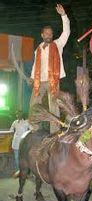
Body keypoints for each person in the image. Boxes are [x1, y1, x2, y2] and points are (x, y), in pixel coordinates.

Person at [29, 4, 70, 133]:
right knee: (33, 104)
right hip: (39, 81)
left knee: (54, 106)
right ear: (42, 35)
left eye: (51, 34)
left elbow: (66, 32)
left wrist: (63, 15)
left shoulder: (57, 44)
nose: (49, 35)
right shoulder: (39, 49)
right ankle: (35, 128)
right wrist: (31, 78)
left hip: (53, 81)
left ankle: (55, 131)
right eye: (46, 33)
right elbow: (35, 65)